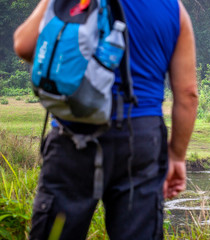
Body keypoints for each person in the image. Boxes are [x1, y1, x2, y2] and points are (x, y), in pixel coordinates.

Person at [13, 0, 198, 239]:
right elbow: (188, 94)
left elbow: (24, 45)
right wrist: (177, 156)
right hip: (141, 139)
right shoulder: (173, 8)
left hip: (73, 135)